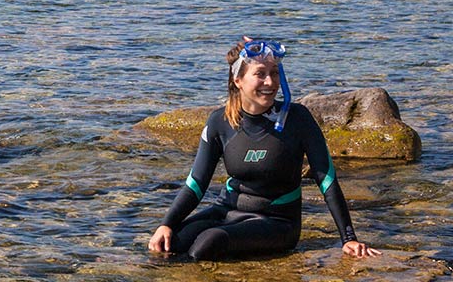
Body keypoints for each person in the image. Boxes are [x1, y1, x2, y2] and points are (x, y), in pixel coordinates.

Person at [146, 38, 381, 260]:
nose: (270, 82)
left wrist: (348, 238)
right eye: (260, 74)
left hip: (278, 221)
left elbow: (326, 179)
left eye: (274, 73)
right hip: (226, 209)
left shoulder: (297, 119)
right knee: (169, 244)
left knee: (209, 242)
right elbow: (196, 182)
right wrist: (166, 223)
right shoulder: (220, 121)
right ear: (238, 80)